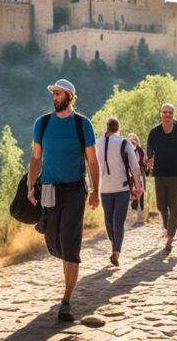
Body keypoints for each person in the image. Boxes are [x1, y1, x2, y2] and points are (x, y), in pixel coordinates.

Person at [26, 79, 101, 322]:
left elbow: (92, 161)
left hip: (74, 190)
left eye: (58, 94)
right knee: (53, 241)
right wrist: (30, 186)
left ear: (69, 96)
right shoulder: (43, 123)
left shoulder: (82, 124)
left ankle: (66, 300)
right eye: (53, 94)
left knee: (70, 246)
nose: (54, 97)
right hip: (48, 189)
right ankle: (66, 264)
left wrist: (95, 191)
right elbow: (36, 158)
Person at [98, 117, 144, 267]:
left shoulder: (97, 143)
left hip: (104, 189)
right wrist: (139, 187)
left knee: (109, 221)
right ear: (119, 128)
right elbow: (135, 167)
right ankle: (116, 251)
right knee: (118, 222)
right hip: (122, 189)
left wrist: (93, 189)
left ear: (107, 128)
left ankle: (115, 249)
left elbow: (91, 165)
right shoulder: (124, 142)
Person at [146, 103, 177, 255]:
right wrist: (149, 158)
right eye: (165, 112)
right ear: (160, 114)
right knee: (161, 205)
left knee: (175, 207)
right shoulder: (154, 132)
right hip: (160, 174)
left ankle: (170, 239)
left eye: (170, 112)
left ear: (173, 114)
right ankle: (166, 226)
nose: (167, 115)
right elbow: (150, 147)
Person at [129, 134, 147, 226]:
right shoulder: (126, 150)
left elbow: (144, 163)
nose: (133, 142)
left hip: (140, 175)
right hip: (129, 176)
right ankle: (131, 219)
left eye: (134, 140)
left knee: (141, 196)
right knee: (131, 196)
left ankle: (140, 219)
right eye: (130, 140)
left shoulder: (140, 150)